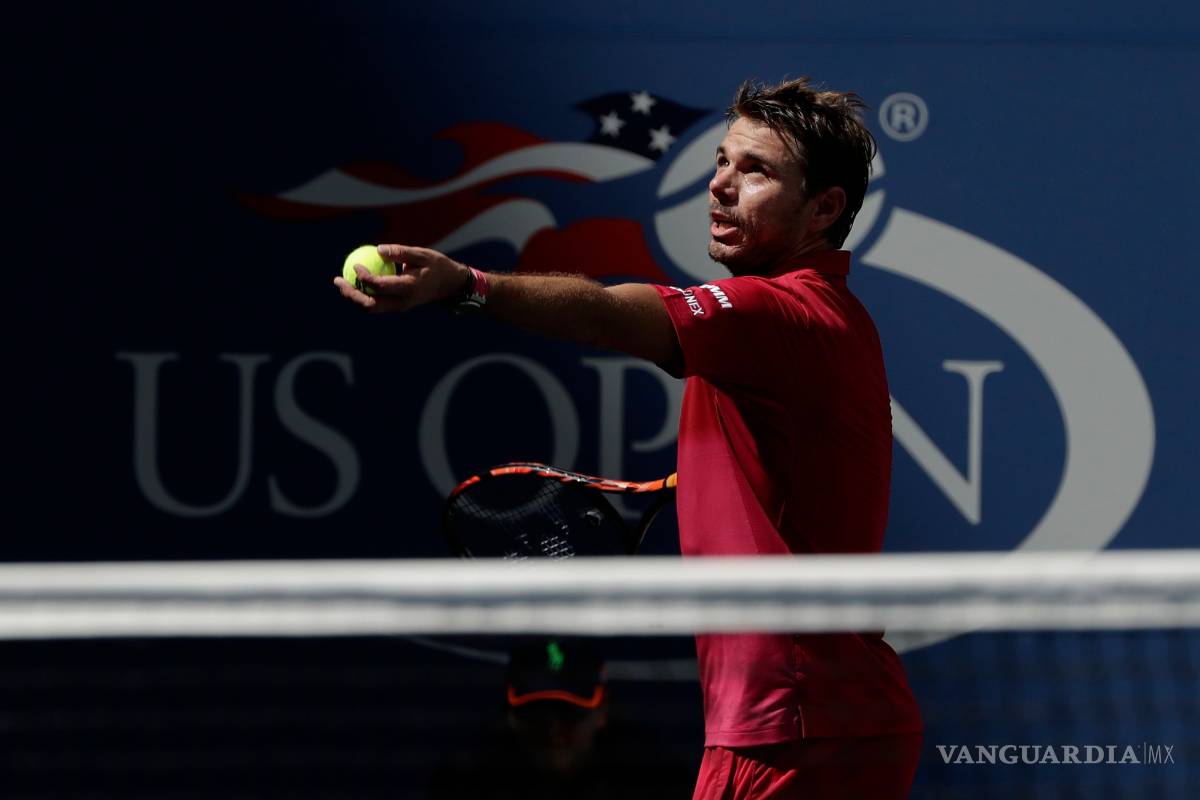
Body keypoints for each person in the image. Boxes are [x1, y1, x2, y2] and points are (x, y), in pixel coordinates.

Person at [336, 76, 923, 798]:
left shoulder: (775, 313)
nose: (720, 186)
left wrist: (469, 286)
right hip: (819, 722)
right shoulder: (827, 318)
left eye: (757, 171)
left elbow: (608, 315)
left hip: (795, 727)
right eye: (723, 161)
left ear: (824, 208)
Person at [426, 637, 697, 799]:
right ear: (511, 715)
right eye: (536, 712)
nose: (553, 729)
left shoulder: (653, 781)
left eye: (570, 712)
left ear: (602, 711)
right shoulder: (468, 782)